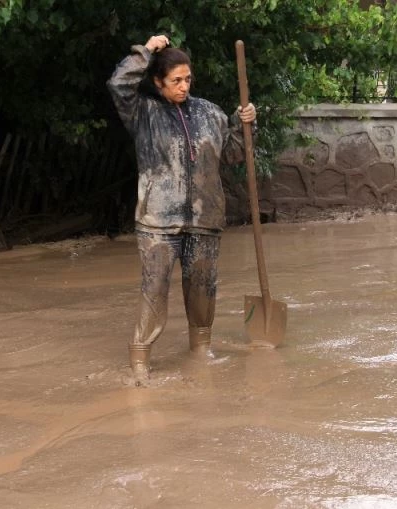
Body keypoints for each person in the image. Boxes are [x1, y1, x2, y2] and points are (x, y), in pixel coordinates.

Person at [107, 34, 257, 382]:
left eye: (188, 79)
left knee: (203, 288)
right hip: (158, 222)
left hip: (205, 219)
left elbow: (233, 154)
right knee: (154, 290)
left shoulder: (210, 113)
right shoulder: (143, 113)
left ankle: (201, 351)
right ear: (158, 82)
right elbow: (118, 84)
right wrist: (146, 51)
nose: (184, 86)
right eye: (176, 80)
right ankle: (141, 360)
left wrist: (245, 124)